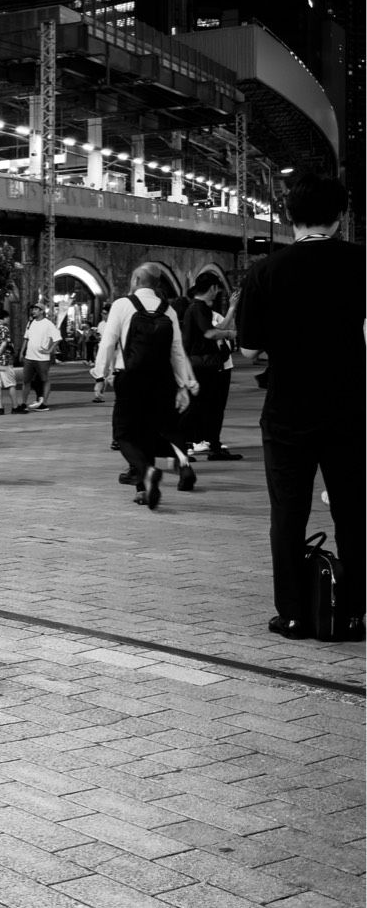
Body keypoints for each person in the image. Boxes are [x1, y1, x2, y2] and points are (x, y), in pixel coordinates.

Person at [235, 171, 364, 640]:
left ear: (289, 216)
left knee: (288, 513)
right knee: (353, 512)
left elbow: (248, 349)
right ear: (340, 215)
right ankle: (350, 615)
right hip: (351, 409)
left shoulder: (266, 271)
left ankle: (291, 614)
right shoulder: (361, 263)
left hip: (288, 410)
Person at [93, 263, 198, 509]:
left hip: (131, 378)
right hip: (162, 379)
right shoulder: (168, 309)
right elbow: (177, 351)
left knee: (124, 433)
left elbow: (108, 343)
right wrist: (184, 383)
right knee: (149, 431)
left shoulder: (122, 305)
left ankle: (146, 471)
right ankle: (143, 488)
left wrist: (100, 375)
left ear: (136, 279)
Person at [181, 274, 242, 463]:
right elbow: (210, 333)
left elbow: (217, 327)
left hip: (202, 365)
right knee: (203, 407)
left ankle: (211, 445)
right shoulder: (198, 307)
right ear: (213, 288)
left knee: (208, 406)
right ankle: (187, 447)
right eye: (217, 289)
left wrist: (232, 309)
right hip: (202, 367)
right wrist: (231, 333)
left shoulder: (200, 308)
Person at [16, 306, 60, 410]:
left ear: (42, 311)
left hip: (42, 358)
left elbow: (57, 338)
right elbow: (26, 338)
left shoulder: (48, 324)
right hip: (29, 357)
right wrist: (22, 352)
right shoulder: (30, 323)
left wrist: (49, 350)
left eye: (36, 309)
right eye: (33, 309)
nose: (33, 311)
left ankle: (44, 403)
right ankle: (23, 403)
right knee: (26, 381)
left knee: (45, 380)